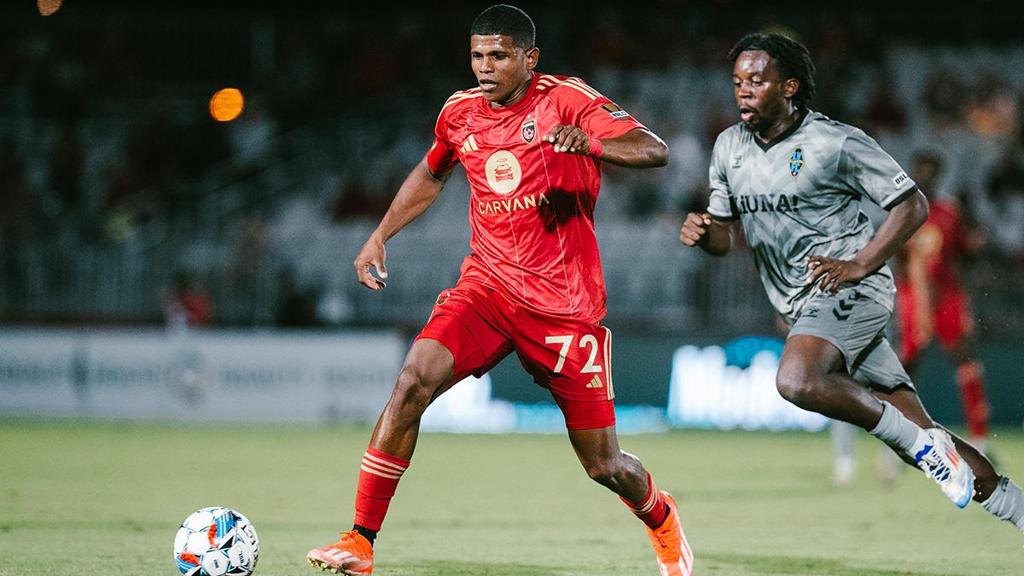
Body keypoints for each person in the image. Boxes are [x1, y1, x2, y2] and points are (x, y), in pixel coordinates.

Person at [306, 5, 693, 576]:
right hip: (486, 289)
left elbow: (653, 148)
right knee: (412, 382)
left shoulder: (566, 99)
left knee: (604, 465)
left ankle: (660, 516)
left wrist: (591, 144)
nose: (485, 67)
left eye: (499, 56)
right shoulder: (459, 113)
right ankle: (360, 541)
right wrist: (380, 235)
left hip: (563, 308)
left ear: (530, 58)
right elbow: (431, 173)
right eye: (477, 56)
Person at [679, 32, 1024, 536]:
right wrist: (705, 233)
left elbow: (912, 205)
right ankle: (1012, 505)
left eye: (756, 80)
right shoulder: (729, 147)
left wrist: (861, 263)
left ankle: (924, 449)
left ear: (789, 86)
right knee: (915, 431)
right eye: (737, 82)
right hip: (802, 305)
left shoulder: (834, 141)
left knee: (796, 380)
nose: (743, 91)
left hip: (850, 290)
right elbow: (724, 236)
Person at [895, 152, 993, 455]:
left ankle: (980, 439)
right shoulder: (903, 211)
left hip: (947, 296)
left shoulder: (950, 213)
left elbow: (966, 252)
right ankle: (897, 440)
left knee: (966, 359)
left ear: (938, 175)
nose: (925, 177)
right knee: (906, 366)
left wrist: (976, 243)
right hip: (914, 296)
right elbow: (896, 257)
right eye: (921, 171)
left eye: (930, 172)